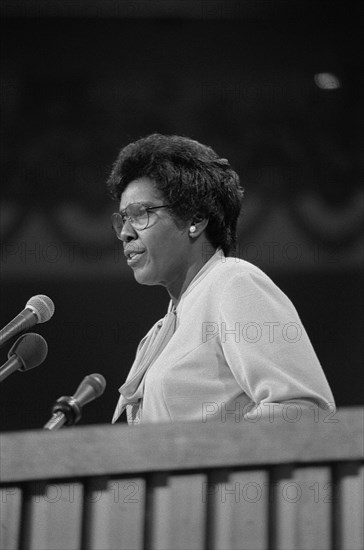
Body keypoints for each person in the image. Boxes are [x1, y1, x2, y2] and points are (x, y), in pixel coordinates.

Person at [108, 134, 335, 425]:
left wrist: (197, 459)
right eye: (122, 218)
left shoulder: (234, 283)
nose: (126, 232)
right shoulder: (159, 333)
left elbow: (303, 409)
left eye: (140, 214)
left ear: (196, 220)